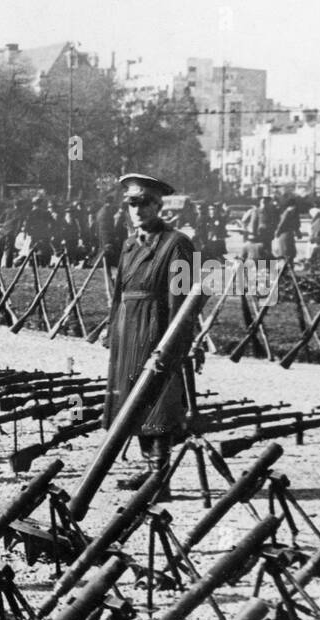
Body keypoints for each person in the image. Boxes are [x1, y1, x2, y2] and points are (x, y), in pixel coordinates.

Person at [104, 173, 196, 499]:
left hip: (157, 331)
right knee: (133, 400)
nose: (138, 209)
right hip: (128, 331)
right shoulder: (129, 244)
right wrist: (112, 328)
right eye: (132, 203)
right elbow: (119, 293)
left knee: (157, 400)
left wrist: (175, 344)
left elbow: (184, 301)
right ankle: (149, 470)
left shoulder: (178, 243)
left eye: (145, 203)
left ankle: (160, 479)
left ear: (159, 206)